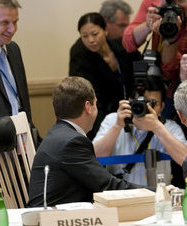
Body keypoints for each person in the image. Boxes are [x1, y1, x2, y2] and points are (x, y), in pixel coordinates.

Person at [28, 76, 142, 207]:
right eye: (95, 103)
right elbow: (107, 185)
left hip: (57, 217)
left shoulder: (59, 134)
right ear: (88, 107)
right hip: (53, 221)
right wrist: (157, 192)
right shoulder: (72, 142)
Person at [123, 0, 187, 119]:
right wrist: (147, 26)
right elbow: (128, 44)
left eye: (181, 1)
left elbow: (173, 70)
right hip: (159, 86)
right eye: (168, 2)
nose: (175, 7)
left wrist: (170, 39)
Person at [93, 76, 187, 186]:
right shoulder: (113, 120)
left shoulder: (169, 127)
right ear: (130, 101)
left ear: (162, 106)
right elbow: (94, 157)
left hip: (157, 196)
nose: (147, 108)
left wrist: (157, 127)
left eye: (153, 103)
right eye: (141, 102)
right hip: (120, 195)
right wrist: (117, 126)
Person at [0, 0, 40, 146]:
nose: (12, 29)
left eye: (15, 22)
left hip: (23, 143)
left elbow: (22, 102)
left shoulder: (13, 50)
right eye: (5, 23)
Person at [69, 12, 140, 140]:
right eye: (84, 36)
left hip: (129, 110)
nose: (90, 40)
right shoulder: (80, 57)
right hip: (100, 115)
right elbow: (90, 98)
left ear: (105, 31)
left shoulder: (120, 47)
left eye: (95, 34)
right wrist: (103, 132)